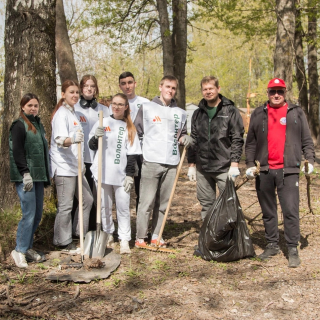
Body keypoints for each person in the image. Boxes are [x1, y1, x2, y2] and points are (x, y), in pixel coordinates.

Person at [245, 78, 315, 268]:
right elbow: (250, 142)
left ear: (285, 93)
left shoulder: (296, 112)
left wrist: (310, 160)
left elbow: (306, 139)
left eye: (280, 91)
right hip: (264, 170)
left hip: (289, 170)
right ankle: (272, 244)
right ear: (267, 93)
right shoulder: (259, 113)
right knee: (268, 212)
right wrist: (250, 164)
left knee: (290, 210)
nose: (276, 95)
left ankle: (292, 248)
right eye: (273, 91)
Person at [134, 75, 193, 248]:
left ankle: (156, 235)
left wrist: (184, 138)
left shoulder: (180, 112)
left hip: (172, 162)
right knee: (146, 202)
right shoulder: (146, 108)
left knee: (163, 203)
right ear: (160, 87)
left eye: (173, 88)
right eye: (167, 87)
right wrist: (140, 156)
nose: (170, 90)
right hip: (151, 161)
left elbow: (180, 134)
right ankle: (140, 238)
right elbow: (136, 132)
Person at [88, 93, 142, 254]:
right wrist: (95, 137)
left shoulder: (129, 127)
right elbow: (92, 146)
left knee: (123, 207)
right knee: (104, 206)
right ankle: (108, 233)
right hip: (102, 172)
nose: (116, 107)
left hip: (120, 175)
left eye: (120, 104)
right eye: (114, 103)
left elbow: (132, 154)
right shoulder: (102, 122)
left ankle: (124, 239)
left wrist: (130, 174)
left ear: (126, 107)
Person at [187, 76, 244, 220]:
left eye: (211, 88)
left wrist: (234, 164)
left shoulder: (230, 111)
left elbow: (237, 138)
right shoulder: (198, 113)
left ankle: (228, 240)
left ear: (218, 89)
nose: (208, 92)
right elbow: (193, 139)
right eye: (205, 89)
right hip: (203, 168)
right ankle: (209, 241)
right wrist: (192, 165)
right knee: (207, 205)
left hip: (224, 167)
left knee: (227, 204)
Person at [50, 80, 93, 251]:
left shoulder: (73, 112)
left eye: (77, 92)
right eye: (71, 92)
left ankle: (78, 233)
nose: (75, 95)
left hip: (75, 167)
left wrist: (80, 164)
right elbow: (60, 140)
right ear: (63, 95)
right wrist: (72, 140)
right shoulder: (61, 114)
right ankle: (61, 240)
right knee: (66, 205)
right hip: (63, 167)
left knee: (87, 200)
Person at [9, 93, 51, 268]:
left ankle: (27, 247)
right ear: (23, 107)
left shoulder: (38, 124)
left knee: (38, 214)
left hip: (39, 176)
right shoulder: (18, 126)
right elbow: (17, 151)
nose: (33, 108)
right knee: (29, 214)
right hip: (26, 177)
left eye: (35, 105)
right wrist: (25, 173)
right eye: (30, 105)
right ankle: (18, 250)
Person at [74, 75, 110, 234]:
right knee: (80, 198)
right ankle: (78, 231)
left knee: (97, 197)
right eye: (86, 86)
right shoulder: (74, 108)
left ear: (96, 89)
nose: (89, 88)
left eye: (92, 86)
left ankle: (95, 228)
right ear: (81, 88)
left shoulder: (103, 109)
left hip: (96, 159)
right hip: (78, 158)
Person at [119, 71, 150, 212]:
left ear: (135, 83)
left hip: (142, 152)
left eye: (130, 82)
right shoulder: (116, 104)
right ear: (120, 86)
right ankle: (123, 226)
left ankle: (140, 225)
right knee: (121, 190)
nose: (127, 86)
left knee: (141, 190)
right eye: (124, 83)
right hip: (122, 152)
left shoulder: (146, 103)